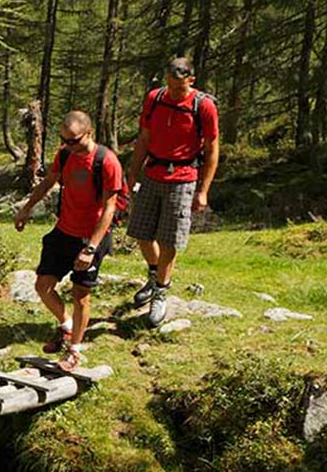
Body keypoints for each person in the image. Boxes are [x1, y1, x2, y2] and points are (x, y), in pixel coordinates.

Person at [13, 111, 124, 371]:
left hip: (91, 236)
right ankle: (67, 325)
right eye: (64, 139)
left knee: (80, 295)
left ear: (89, 133)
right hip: (64, 231)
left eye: (73, 140)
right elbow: (48, 183)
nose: (68, 145)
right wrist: (26, 208)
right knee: (43, 286)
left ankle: (74, 350)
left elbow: (110, 208)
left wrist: (91, 248)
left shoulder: (106, 161)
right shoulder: (64, 155)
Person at [125, 57, 220, 328]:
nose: (175, 91)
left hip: (184, 177)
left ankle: (160, 292)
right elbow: (144, 138)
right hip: (153, 172)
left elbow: (213, 149)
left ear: (191, 80)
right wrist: (132, 175)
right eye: (171, 85)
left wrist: (204, 190)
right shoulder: (155, 99)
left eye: (180, 87)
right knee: (142, 233)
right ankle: (155, 275)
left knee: (170, 240)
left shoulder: (204, 106)